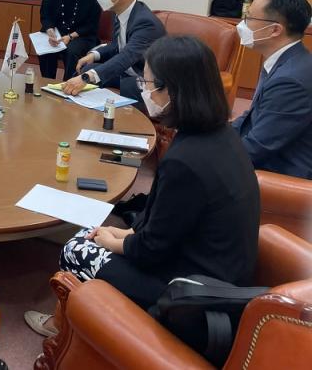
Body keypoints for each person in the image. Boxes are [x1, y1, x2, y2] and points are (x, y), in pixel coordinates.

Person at [25, 36, 260, 335]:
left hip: (190, 294)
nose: (144, 91)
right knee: (95, 231)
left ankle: (65, 330)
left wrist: (116, 242)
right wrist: (126, 233)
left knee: (76, 248)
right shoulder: (220, 135)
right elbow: (169, 221)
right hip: (218, 269)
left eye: (147, 85)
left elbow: (151, 251)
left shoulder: (185, 160)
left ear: (172, 91)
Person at [231, 0, 312, 179]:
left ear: (274, 30)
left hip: (281, 174)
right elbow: (252, 116)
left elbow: (257, 148)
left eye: (249, 18)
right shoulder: (287, 59)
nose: (242, 24)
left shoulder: (291, 80)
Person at [61, 0, 165, 102]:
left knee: (121, 84)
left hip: (147, 79)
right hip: (127, 72)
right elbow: (117, 45)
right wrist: (94, 55)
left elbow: (127, 55)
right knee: (87, 68)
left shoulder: (145, 22)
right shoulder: (119, 13)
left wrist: (86, 78)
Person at [38, 0, 101, 79]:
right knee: (45, 48)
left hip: (81, 35)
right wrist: (50, 30)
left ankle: (68, 84)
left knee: (71, 51)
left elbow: (91, 25)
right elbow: (45, 14)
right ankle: (46, 81)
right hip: (55, 32)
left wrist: (70, 37)